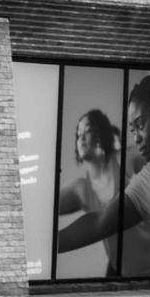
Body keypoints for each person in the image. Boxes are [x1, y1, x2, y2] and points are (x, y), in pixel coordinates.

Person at [57, 77, 150, 277]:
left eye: (140, 125)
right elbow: (98, 223)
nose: (136, 137)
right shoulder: (143, 185)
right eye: (132, 130)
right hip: (122, 271)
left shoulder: (130, 159)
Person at [56, 108, 122, 274]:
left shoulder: (124, 162)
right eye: (78, 135)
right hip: (118, 269)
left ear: (101, 135)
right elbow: (43, 205)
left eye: (88, 131)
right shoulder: (82, 189)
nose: (81, 138)